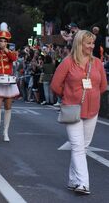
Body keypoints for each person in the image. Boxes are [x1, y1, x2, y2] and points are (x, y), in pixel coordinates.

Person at [51, 30, 107, 195]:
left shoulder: (97, 63)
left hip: (92, 110)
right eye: (88, 43)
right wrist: (68, 95)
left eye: (93, 43)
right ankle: (83, 183)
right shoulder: (68, 62)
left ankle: (73, 180)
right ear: (79, 44)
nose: (92, 46)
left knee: (82, 147)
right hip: (72, 109)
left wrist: (94, 96)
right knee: (77, 146)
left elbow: (103, 85)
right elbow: (55, 85)